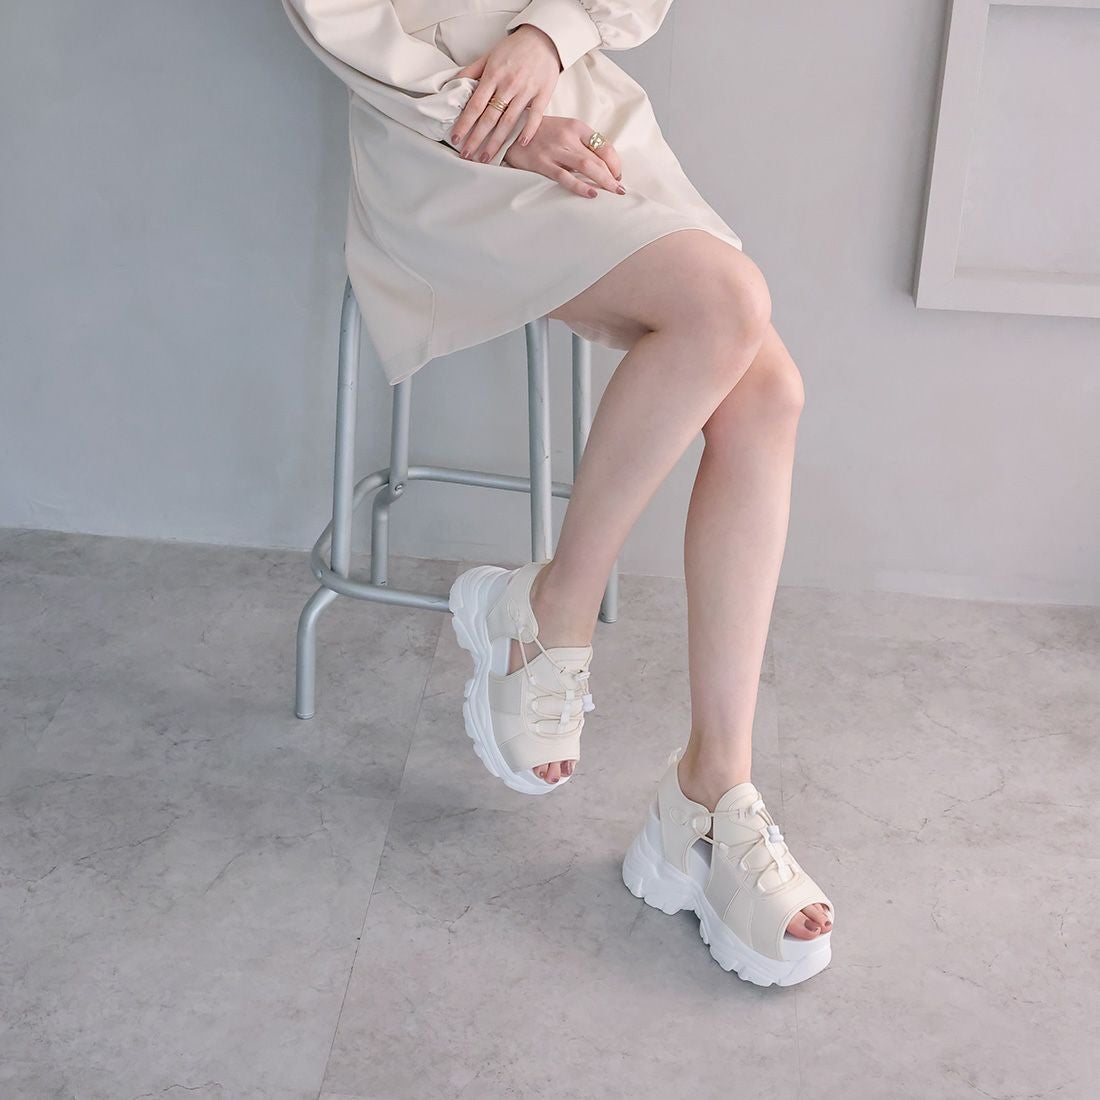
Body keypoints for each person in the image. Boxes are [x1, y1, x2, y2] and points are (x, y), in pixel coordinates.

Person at [283, 0, 834, 987]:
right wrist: (494, 118)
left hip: (581, 116)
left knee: (767, 393)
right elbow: (336, 18)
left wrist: (549, 36)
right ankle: (556, 605)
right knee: (727, 307)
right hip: (444, 144)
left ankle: (710, 790)